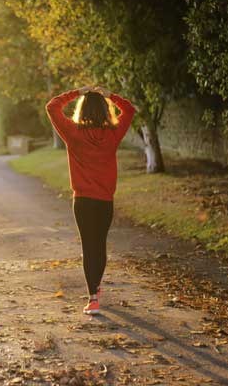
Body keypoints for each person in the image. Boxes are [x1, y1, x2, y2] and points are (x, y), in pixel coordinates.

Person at [45, 86, 136, 315]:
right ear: (105, 110)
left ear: (81, 109)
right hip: (105, 200)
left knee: (89, 246)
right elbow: (130, 110)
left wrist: (77, 92)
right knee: (100, 244)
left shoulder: (72, 133)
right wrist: (110, 95)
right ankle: (96, 287)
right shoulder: (113, 134)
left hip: (83, 201)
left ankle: (93, 297)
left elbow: (52, 106)